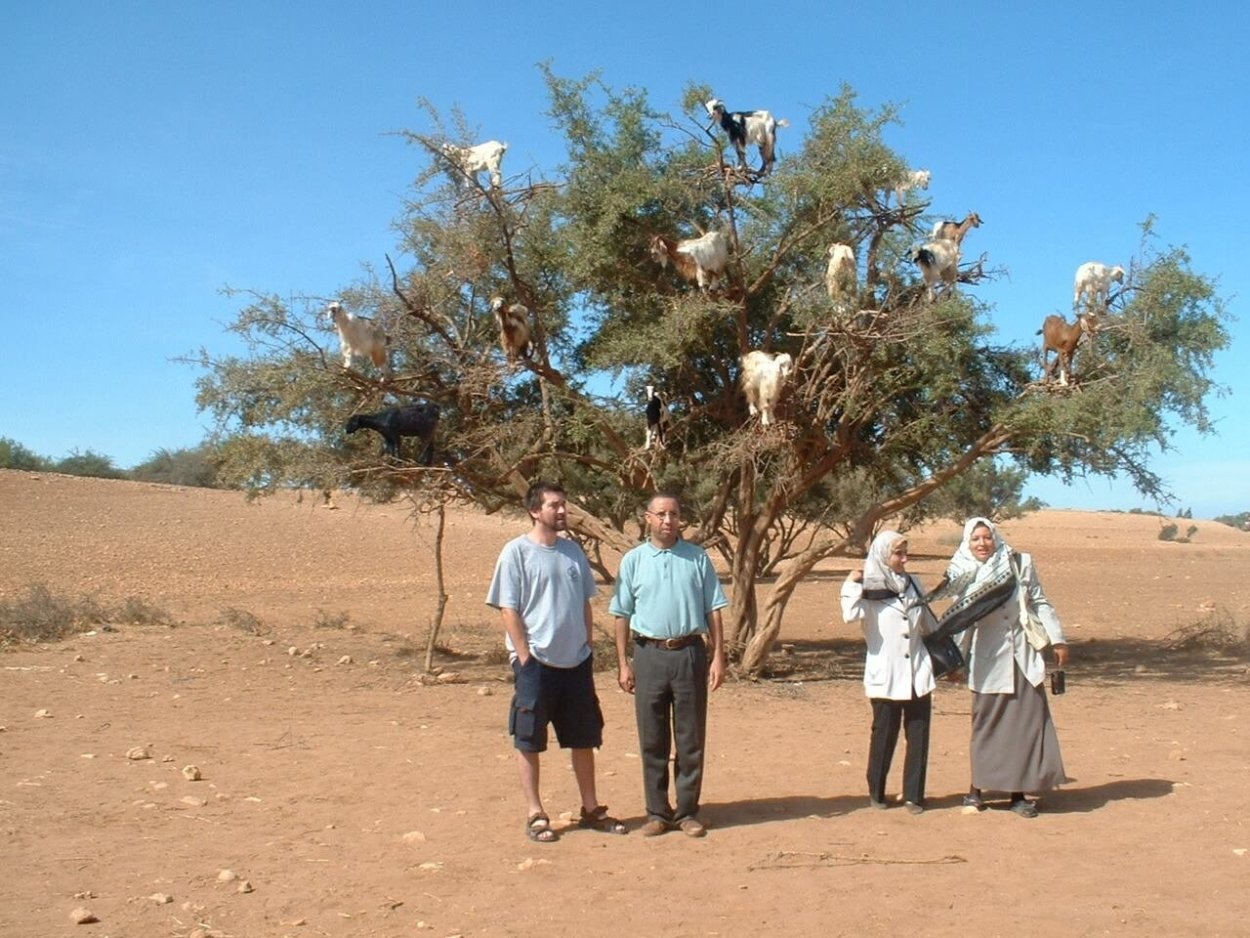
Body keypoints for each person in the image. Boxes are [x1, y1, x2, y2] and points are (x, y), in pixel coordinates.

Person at [486, 480, 628, 843]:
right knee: (529, 738)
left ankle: (591, 808)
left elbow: (583, 602)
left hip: (576, 662)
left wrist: (587, 647)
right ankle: (536, 813)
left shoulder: (573, 552)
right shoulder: (515, 552)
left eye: (564, 504)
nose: (562, 511)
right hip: (536, 663)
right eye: (554, 505)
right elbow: (508, 607)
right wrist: (525, 656)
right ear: (535, 511)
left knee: (584, 736)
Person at [611, 493, 728, 837]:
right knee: (652, 737)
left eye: (674, 514)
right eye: (661, 514)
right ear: (647, 518)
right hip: (648, 655)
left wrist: (718, 654)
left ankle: (688, 811)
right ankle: (657, 813)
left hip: (690, 653)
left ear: (680, 519)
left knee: (690, 737)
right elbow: (621, 613)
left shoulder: (697, 558)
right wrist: (623, 662)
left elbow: (714, 609)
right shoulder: (633, 561)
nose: (668, 520)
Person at [937, 516, 1070, 818]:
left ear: (995, 537)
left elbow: (1040, 602)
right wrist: (955, 662)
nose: (982, 544)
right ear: (967, 543)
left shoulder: (1020, 563)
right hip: (988, 661)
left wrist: (1057, 640)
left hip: (1023, 659)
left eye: (987, 537)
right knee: (986, 725)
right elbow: (961, 622)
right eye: (976, 539)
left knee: (1023, 727)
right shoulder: (963, 572)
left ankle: (1018, 795)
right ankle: (976, 790)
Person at [840, 530, 936, 814]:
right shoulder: (868, 588)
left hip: (918, 671)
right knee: (884, 733)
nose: (905, 559)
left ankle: (913, 796)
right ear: (883, 555)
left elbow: (927, 623)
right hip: (886, 674)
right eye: (898, 554)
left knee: (918, 735)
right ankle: (877, 792)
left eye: (906, 553)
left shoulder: (914, 584)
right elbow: (849, 615)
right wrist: (849, 584)